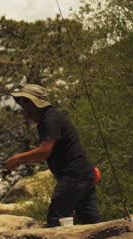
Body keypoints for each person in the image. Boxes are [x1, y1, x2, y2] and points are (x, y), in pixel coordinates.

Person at [6, 84, 101, 227]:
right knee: (92, 223)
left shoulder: (49, 119)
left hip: (74, 175)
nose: (23, 108)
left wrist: (18, 157)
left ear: (32, 102)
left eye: (23, 102)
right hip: (85, 174)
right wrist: (26, 160)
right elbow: (53, 153)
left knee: (56, 218)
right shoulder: (50, 118)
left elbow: (45, 151)